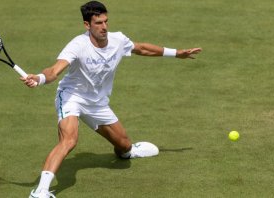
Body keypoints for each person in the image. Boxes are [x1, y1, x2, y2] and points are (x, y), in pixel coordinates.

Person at [22, 1, 202, 198]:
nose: (104, 27)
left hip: (98, 103)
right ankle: (40, 192)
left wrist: (177, 53)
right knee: (69, 140)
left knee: (125, 146)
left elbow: (141, 48)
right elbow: (55, 70)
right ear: (87, 25)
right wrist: (39, 78)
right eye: (98, 23)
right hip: (72, 97)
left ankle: (128, 151)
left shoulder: (118, 40)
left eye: (106, 21)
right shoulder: (77, 45)